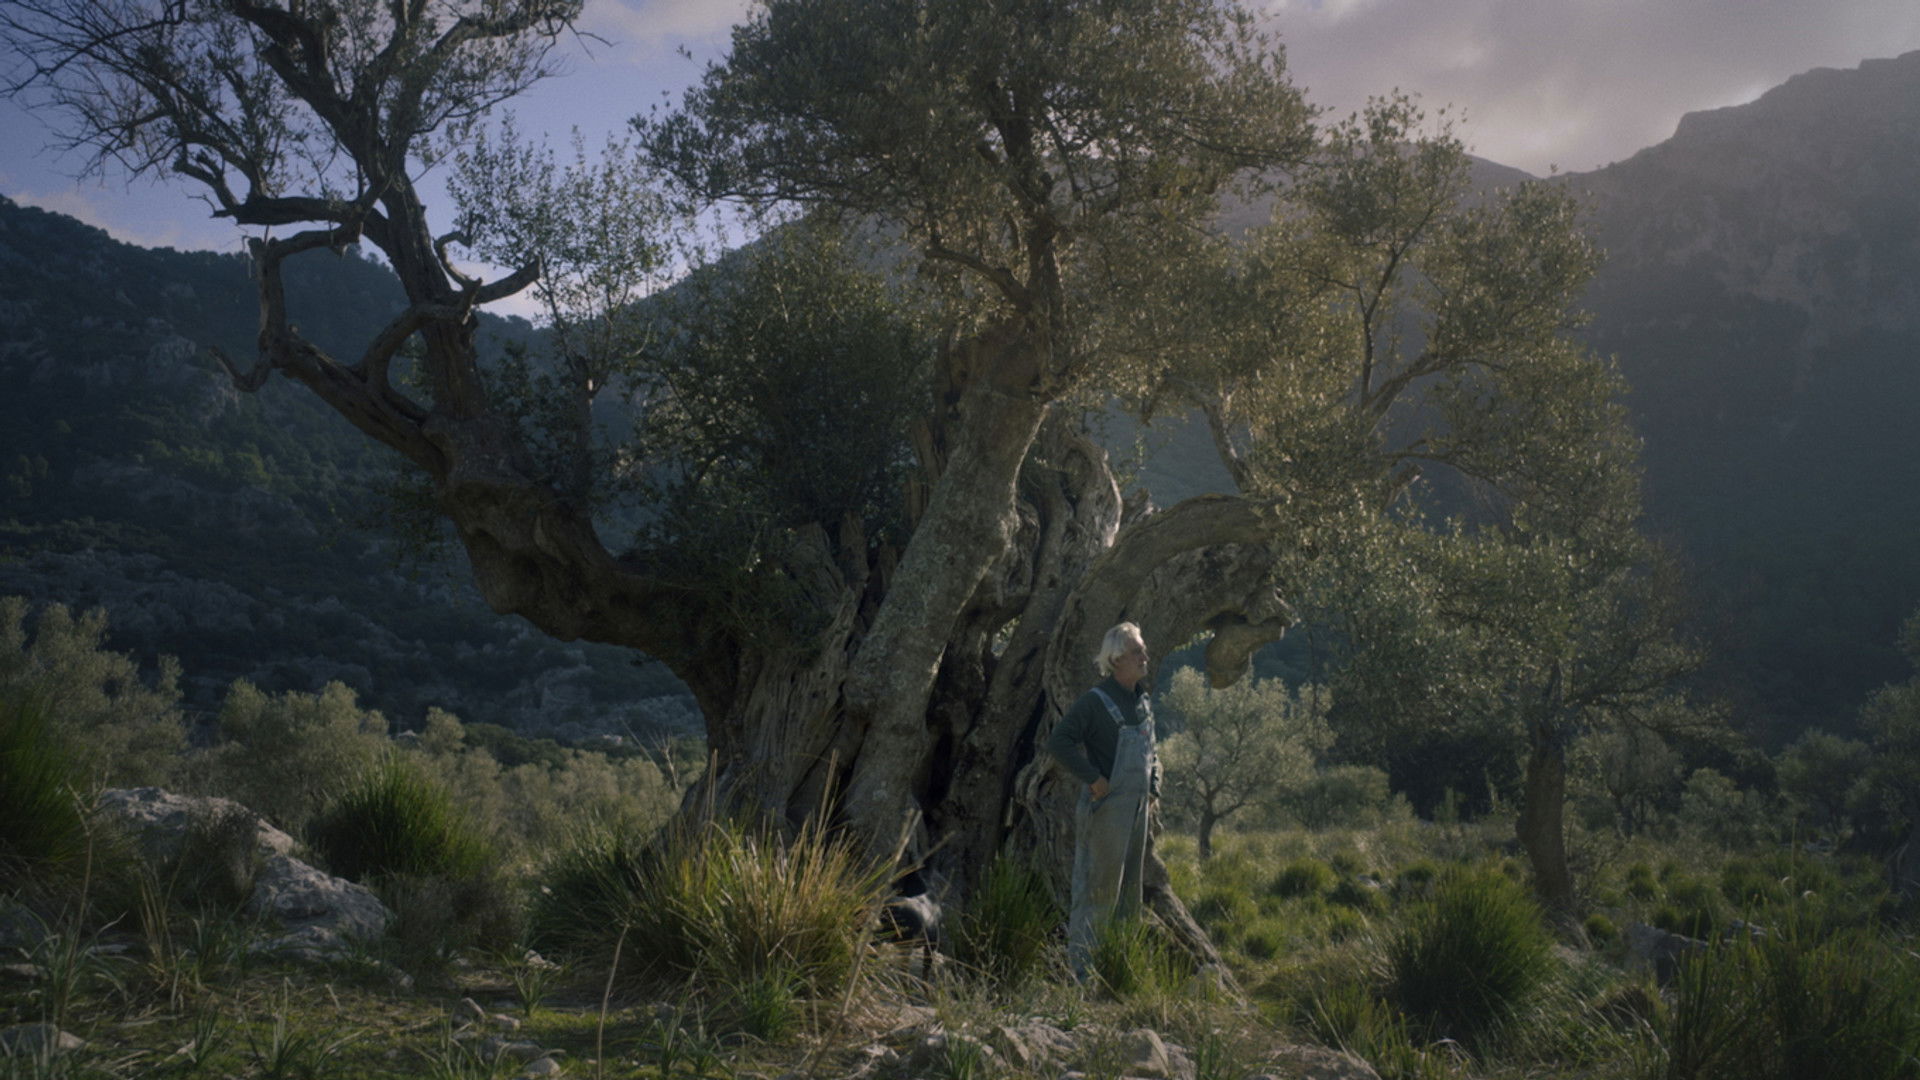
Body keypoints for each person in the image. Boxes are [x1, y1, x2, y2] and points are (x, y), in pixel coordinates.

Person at [1046, 621, 1161, 981]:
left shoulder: (1142, 699)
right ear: (1115, 660)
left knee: (1129, 895)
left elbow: (1153, 750)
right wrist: (1093, 779)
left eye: (1143, 650)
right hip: (1107, 809)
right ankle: (1083, 975)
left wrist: (1154, 786)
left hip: (1137, 811)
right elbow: (1059, 742)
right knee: (1098, 893)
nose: (1144, 656)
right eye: (1137, 651)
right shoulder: (1095, 702)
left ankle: (1118, 973)